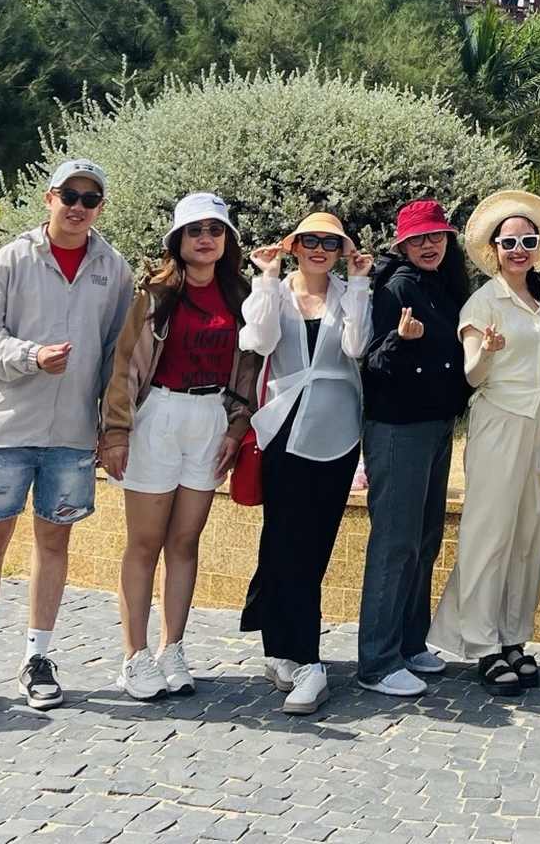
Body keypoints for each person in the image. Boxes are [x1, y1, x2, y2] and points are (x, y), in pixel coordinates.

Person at [0, 159, 134, 719]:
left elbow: (118, 354)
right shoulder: (11, 259)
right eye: (69, 196)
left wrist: (112, 426)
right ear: (48, 198)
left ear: (100, 207)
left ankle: (38, 657)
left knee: (55, 543)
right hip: (8, 426)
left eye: (90, 199)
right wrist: (31, 356)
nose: (78, 207)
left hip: (72, 433)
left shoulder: (114, 269)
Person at [98, 193, 258, 702]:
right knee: (145, 541)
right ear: (178, 239)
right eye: (195, 230)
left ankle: (173, 648)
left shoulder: (241, 295)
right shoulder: (156, 295)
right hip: (158, 417)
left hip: (210, 419)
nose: (206, 239)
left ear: (227, 239)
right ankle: (134, 655)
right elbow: (125, 366)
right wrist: (116, 431)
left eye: (215, 230)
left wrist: (237, 426)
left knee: (186, 541)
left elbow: (248, 368)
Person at [428, 190, 540, 694]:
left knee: (530, 536)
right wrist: (487, 352)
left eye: (527, 241)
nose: (518, 250)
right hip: (498, 422)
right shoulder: (482, 302)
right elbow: (471, 375)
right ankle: (482, 642)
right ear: (494, 248)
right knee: (488, 533)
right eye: (509, 242)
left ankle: (514, 637)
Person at [238, 211, 373, 716]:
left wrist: (359, 284)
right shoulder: (274, 290)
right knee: (282, 540)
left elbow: (357, 345)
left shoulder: (348, 293)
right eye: (310, 240)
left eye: (330, 243)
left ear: (341, 251)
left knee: (313, 547)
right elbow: (258, 341)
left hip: (338, 434)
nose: (319, 249)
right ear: (294, 246)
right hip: (283, 429)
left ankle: (289, 650)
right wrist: (266, 277)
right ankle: (301, 658)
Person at [355, 200, 472, 698]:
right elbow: (372, 362)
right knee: (395, 542)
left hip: (435, 424)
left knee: (424, 539)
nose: (429, 245)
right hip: (398, 428)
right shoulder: (395, 287)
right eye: (419, 238)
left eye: (437, 236)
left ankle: (409, 641)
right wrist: (402, 341)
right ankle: (378, 660)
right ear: (402, 244)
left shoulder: (442, 285)